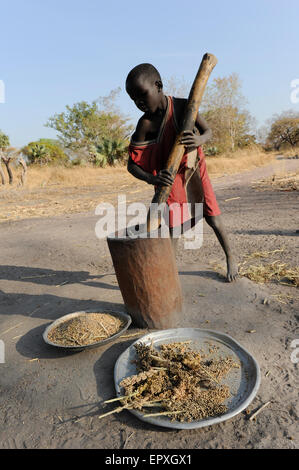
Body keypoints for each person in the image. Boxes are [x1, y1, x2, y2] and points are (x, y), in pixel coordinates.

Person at [125, 63, 238, 282]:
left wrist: (199, 140)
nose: (139, 103)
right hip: (168, 176)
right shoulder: (145, 124)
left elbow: (208, 132)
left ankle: (230, 256)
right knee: (173, 224)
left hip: (194, 167)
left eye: (142, 95)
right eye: (133, 99)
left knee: (212, 216)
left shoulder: (183, 107)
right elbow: (132, 165)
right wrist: (152, 178)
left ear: (158, 86)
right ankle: (170, 269)